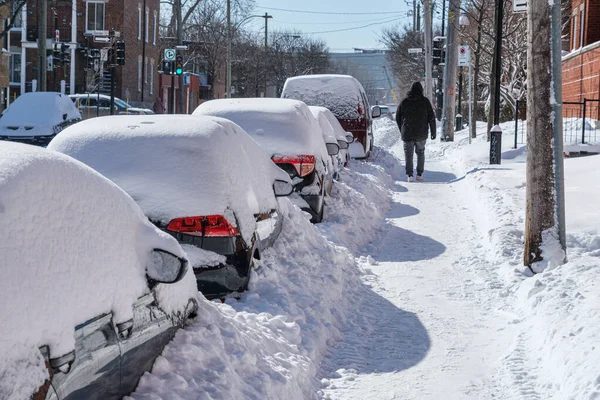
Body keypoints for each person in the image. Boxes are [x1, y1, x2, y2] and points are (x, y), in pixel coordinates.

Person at [395, 81, 436, 182]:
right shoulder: (425, 101)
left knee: (408, 154)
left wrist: (402, 129)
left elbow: (397, 117)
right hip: (421, 133)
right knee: (420, 153)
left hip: (407, 132)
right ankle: (419, 174)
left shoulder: (404, 101)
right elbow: (431, 117)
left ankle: (410, 175)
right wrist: (433, 131)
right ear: (421, 90)